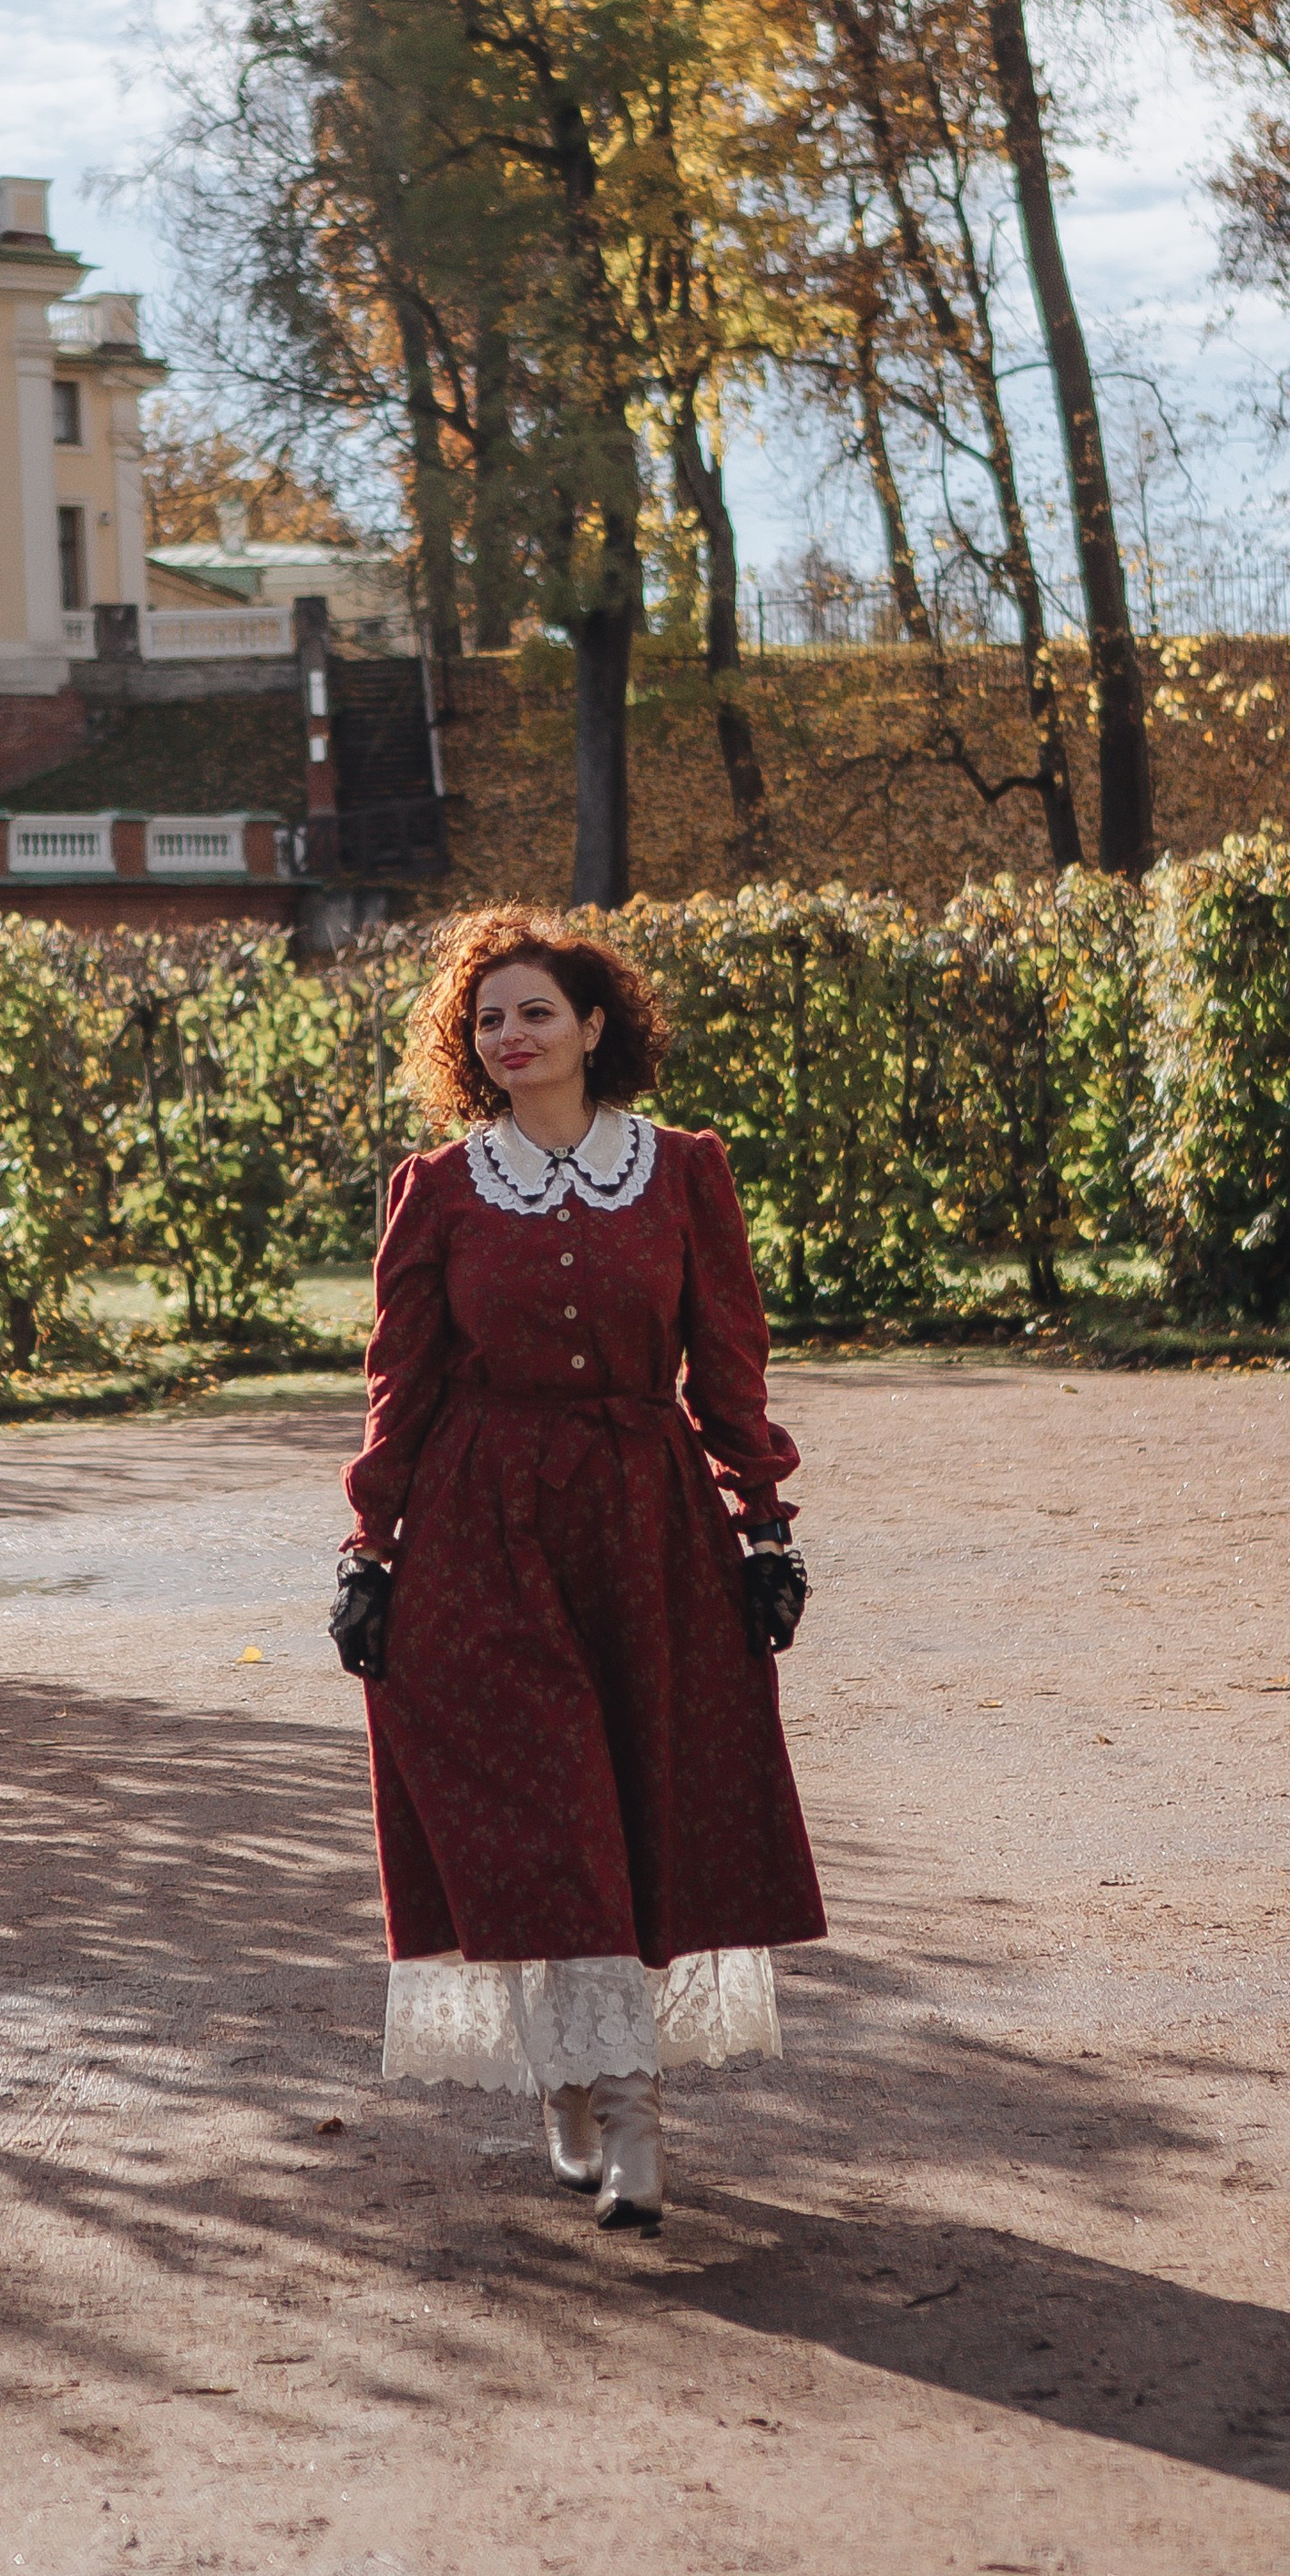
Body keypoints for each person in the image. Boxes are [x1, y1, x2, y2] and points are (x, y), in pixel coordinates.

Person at [328, 904, 823, 2231]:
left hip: (643, 1524)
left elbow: (727, 1362)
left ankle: (612, 2095)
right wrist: (369, 1550)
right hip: (482, 1534)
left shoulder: (680, 1175)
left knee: (639, 1812)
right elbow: (402, 1386)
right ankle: (610, 2102)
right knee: (544, 1818)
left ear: (594, 1026)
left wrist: (762, 1521)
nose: (510, 1037)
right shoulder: (436, 1191)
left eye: (535, 1012)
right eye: (487, 1020)